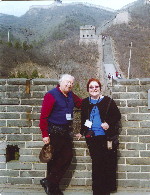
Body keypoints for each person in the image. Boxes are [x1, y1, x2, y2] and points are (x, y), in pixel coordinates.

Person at [76, 78, 121, 195]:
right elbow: (84, 119)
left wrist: (108, 123)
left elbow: (117, 115)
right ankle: (97, 190)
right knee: (96, 163)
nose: (94, 89)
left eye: (96, 87)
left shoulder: (108, 101)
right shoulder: (86, 102)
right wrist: (82, 131)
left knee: (106, 163)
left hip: (105, 137)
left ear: (100, 88)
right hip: (91, 137)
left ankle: (105, 190)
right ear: (88, 89)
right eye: (91, 87)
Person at [39, 74, 82, 195]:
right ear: (61, 82)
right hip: (54, 132)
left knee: (67, 158)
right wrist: (44, 134)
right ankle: (53, 189)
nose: (70, 85)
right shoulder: (51, 95)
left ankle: (49, 182)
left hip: (65, 132)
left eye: (72, 83)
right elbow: (43, 116)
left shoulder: (71, 95)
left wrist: (95, 100)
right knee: (53, 160)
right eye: (67, 82)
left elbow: (81, 104)